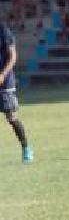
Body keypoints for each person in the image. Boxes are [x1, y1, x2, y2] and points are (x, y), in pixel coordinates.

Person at [0, 21, 33, 163]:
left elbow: (12, 56)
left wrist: (3, 74)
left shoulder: (3, 30)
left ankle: (26, 148)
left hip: (4, 81)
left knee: (11, 117)